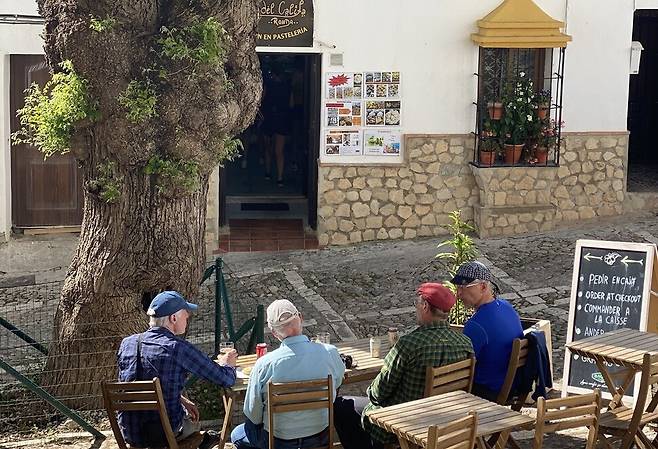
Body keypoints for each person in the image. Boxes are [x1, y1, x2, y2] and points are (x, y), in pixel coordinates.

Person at [333, 283, 474, 449]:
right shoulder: (466, 343)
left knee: (342, 406)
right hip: (446, 418)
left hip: (406, 421)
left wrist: (371, 391)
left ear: (425, 306)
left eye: (416, 304)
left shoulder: (408, 345)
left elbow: (378, 393)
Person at [116, 291, 238, 449]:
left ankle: (203, 438)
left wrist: (181, 399)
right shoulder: (176, 348)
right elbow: (226, 379)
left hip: (130, 432)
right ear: (173, 318)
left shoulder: (128, 343)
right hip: (163, 434)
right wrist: (227, 364)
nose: (188, 317)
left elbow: (138, 382)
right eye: (185, 314)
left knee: (182, 401)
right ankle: (203, 439)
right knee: (193, 423)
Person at [231, 299, 345, 449]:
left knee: (237, 435)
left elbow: (253, 414)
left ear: (274, 332)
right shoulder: (329, 352)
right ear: (301, 318)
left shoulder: (265, 364)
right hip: (319, 437)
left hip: (278, 441)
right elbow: (337, 383)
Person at [451, 261, 524, 402]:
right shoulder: (507, 307)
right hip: (511, 385)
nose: (458, 294)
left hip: (487, 392)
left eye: (464, 287)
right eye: (457, 287)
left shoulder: (477, 324)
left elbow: (460, 364)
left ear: (483, 286)